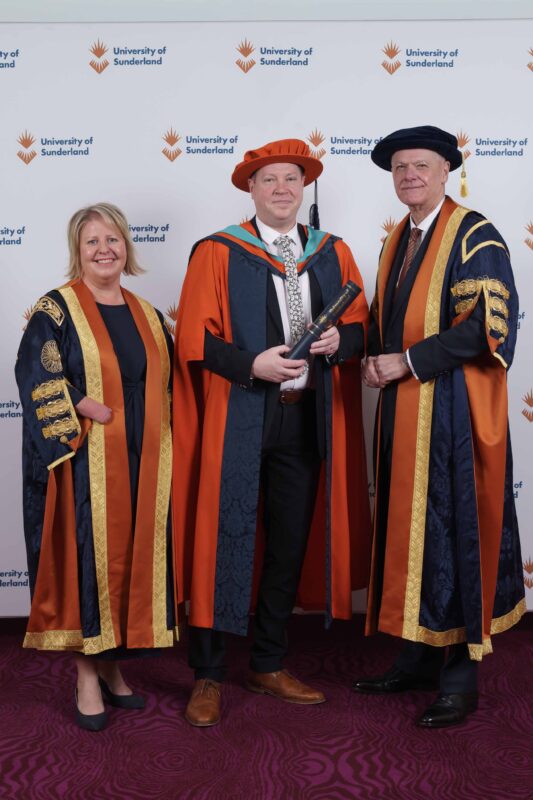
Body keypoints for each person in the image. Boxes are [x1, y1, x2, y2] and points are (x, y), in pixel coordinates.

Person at [173, 138, 371, 726]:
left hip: (304, 415)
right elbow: (194, 340)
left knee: (287, 543)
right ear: (251, 189)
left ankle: (267, 661)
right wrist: (249, 365)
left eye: (292, 178)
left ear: (303, 187)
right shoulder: (217, 251)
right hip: (238, 415)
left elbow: (363, 331)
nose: (282, 188)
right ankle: (208, 675)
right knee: (222, 537)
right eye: (270, 180)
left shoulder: (332, 253)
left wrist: (341, 343)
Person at [354, 125, 525, 727]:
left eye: (421, 166)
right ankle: (416, 656)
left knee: (453, 533)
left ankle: (459, 679)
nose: (409, 176)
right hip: (405, 413)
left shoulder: (473, 234)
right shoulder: (398, 240)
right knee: (411, 533)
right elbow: (384, 320)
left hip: (452, 412)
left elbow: (489, 325)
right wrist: (363, 353)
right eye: (400, 167)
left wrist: (404, 362)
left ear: (446, 170)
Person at [15, 203, 177, 731]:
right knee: (90, 565)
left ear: (127, 246)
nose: (105, 249)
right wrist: (83, 405)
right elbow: (35, 370)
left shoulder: (148, 313)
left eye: (113, 239)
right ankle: (86, 675)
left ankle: (112, 669)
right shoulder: (56, 309)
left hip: (142, 462)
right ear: (76, 251)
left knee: (125, 568)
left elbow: (170, 387)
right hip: (86, 462)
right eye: (92, 242)